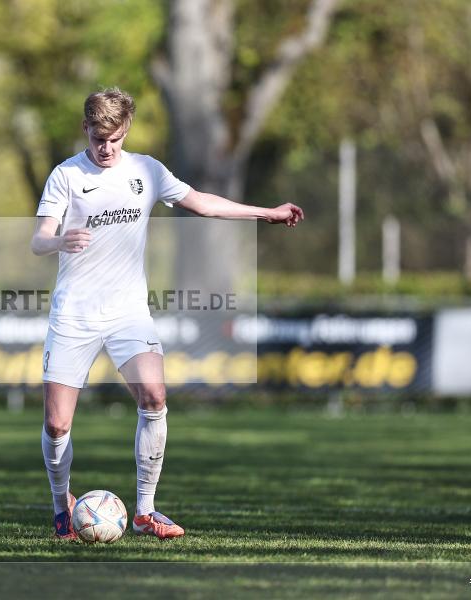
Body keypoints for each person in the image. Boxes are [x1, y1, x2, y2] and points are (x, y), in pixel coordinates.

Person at [31, 87, 303, 540]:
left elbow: (202, 203)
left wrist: (265, 213)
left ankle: (144, 511)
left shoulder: (146, 171)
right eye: (99, 138)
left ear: (126, 131)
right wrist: (61, 240)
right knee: (57, 423)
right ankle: (62, 508)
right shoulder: (66, 176)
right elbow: (39, 238)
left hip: (127, 312)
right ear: (85, 129)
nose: (106, 148)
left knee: (154, 396)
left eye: (115, 139)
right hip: (74, 314)